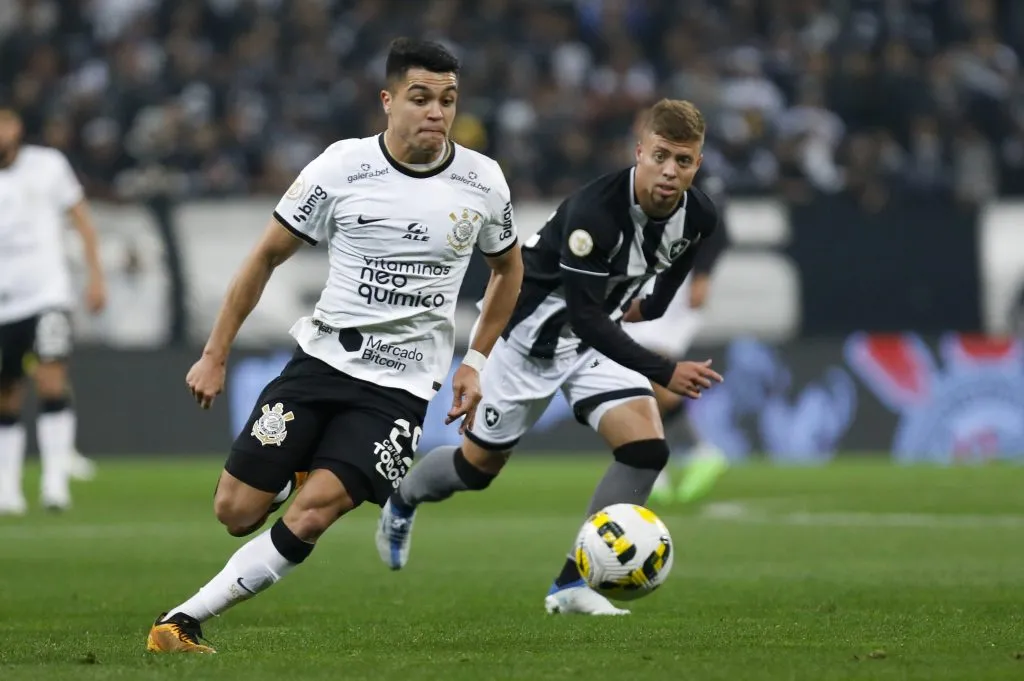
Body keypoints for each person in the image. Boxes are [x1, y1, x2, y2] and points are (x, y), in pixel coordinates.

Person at [146, 37, 523, 653]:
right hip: (320, 363)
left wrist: (475, 361)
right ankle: (295, 471)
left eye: (448, 100)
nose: (436, 112)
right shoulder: (341, 167)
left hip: (401, 387)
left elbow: (509, 271)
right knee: (236, 511)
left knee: (317, 510)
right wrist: (214, 352)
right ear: (388, 100)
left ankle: (181, 621)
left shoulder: (482, 181)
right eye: (421, 98)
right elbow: (265, 256)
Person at [377, 98, 723, 615]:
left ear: (697, 162)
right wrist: (666, 369)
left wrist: (648, 306)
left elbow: (676, 264)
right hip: (526, 344)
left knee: (647, 449)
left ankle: (571, 584)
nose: (671, 172)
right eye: (661, 156)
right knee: (477, 469)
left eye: (684, 161)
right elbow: (585, 318)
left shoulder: (698, 214)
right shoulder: (595, 214)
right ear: (639, 152)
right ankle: (403, 498)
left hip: (588, 345)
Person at [0, 104, 107, 515]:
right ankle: (8, 489)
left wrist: (96, 276)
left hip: (47, 296)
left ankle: (54, 483)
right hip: (4, 305)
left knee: (51, 378)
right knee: (7, 393)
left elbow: (82, 219)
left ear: (16, 126)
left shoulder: (47, 165)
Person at [623, 172, 731, 505]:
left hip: (677, 286)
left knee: (646, 366)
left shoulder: (696, 175)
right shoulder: (643, 172)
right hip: (650, 280)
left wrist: (703, 276)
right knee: (643, 374)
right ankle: (669, 461)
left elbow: (719, 230)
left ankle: (686, 455)